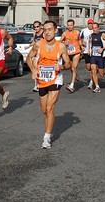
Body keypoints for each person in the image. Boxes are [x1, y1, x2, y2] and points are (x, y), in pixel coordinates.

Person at [27, 20, 72, 149]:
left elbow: (68, 64)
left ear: (56, 30)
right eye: (45, 29)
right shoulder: (38, 44)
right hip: (42, 80)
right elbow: (28, 58)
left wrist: (61, 66)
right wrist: (33, 70)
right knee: (44, 111)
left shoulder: (61, 46)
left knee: (50, 108)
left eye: (50, 29)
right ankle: (49, 128)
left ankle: (46, 137)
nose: (47, 32)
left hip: (55, 79)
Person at [61, 19, 82, 92]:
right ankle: (75, 74)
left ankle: (72, 85)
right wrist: (64, 43)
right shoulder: (64, 34)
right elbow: (60, 43)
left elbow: (79, 40)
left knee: (73, 67)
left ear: (73, 25)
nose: (70, 27)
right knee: (71, 67)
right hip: (68, 53)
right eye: (68, 25)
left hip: (76, 52)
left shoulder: (77, 32)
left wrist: (82, 46)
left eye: (71, 25)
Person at [89, 22, 105, 93]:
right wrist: (89, 50)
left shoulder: (102, 35)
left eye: (95, 28)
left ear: (98, 28)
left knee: (101, 74)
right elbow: (90, 43)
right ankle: (97, 86)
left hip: (101, 56)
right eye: (93, 28)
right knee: (93, 70)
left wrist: (103, 49)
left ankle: (104, 70)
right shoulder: (91, 35)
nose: (94, 29)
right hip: (93, 55)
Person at [25, 21, 44, 92]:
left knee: (42, 69)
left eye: (37, 26)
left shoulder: (44, 33)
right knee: (35, 68)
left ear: (41, 26)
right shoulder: (34, 34)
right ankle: (36, 85)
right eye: (35, 27)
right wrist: (29, 46)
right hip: (36, 53)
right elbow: (34, 41)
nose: (36, 28)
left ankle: (44, 83)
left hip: (43, 53)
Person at [79, 19, 95, 89]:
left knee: (92, 67)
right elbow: (79, 39)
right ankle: (94, 72)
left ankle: (91, 81)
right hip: (85, 51)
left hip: (93, 51)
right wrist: (82, 44)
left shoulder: (94, 31)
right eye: (89, 24)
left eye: (91, 24)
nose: (90, 25)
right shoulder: (83, 31)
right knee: (88, 67)